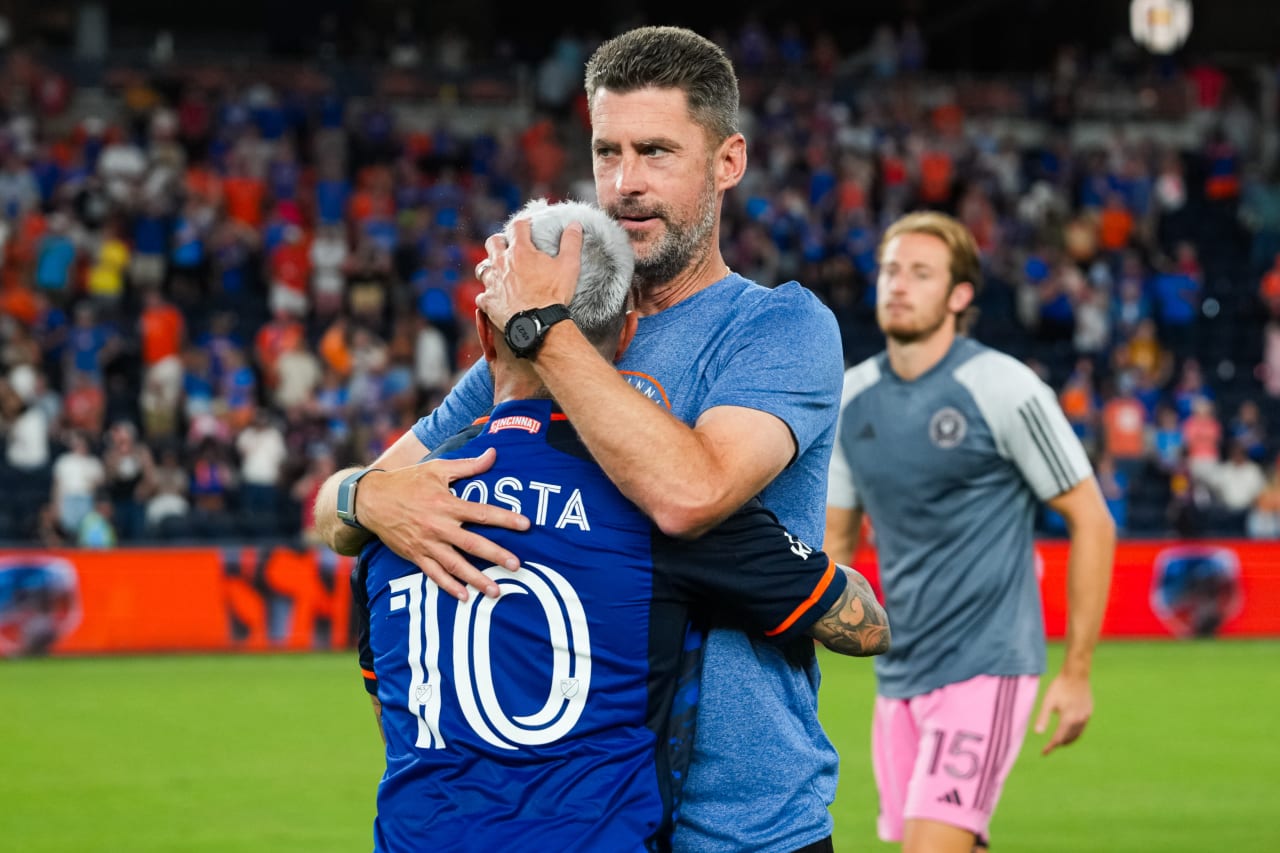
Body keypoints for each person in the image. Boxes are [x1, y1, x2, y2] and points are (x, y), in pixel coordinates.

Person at [316, 26, 847, 852]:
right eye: (609, 153)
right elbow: (341, 511)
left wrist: (540, 327)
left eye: (657, 152)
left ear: (728, 161)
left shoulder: (776, 326)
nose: (626, 185)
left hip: (747, 827)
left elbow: (691, 492)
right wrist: (364, 493)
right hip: (594, 823)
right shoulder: (552, 339)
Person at [353, 198, 888, 851]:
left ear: (485, 334)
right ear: (627, 336)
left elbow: (393, 711)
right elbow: (861, 625)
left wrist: (361, 495)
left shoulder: (392, 512)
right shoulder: (651, 506)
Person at [824, 211, 1116, 853]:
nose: (898, 285)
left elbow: (1092, 520)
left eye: (921, 274)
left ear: (959, 296)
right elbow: (834, 550)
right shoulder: (851, 399)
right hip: (897, 673)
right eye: (891, 271)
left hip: (987, 664)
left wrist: (1077, 672)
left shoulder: (1004, 387)